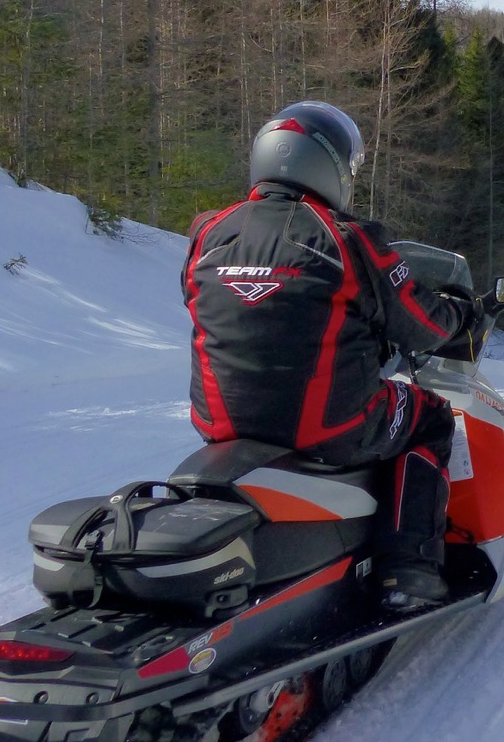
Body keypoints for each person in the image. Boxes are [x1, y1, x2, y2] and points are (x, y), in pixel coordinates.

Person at [182, 100, 478, 611]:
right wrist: (462, 316)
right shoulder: (348, 238)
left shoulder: (208, 233)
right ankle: (409, 564)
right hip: (330, 427)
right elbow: (423, 324)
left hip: (222, 423)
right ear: (329, 167)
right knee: (430, 418)